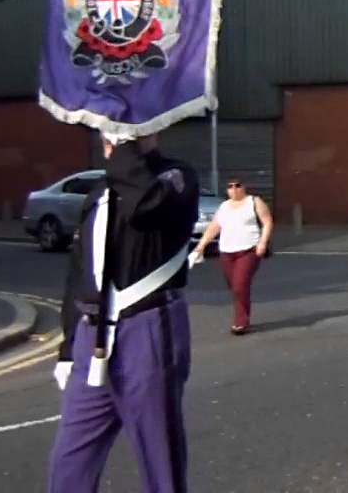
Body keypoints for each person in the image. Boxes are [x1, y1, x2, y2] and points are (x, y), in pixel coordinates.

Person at [48, 135, 200, 493]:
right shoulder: (99, 190)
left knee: (159, 459)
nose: (110, 134)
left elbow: (145, 208)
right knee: (70, 460)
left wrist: (128, 150)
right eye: (107, 128)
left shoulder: (176, 177)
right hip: (91, 334)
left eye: (123, 126)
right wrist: (69, 347)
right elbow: (80, 272)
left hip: (148, 327)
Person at [193, 178, 274, 335]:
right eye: (230, 186)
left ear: (244, 187)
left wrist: (263, 243)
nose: (234, 189)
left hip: (249, 249)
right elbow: (214, 227)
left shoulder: (254, 201)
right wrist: (200, 246)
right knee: (235, 287)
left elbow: (267, 221)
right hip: (226, 251)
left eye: (238, 185)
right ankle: (242, 312)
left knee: (240, 284)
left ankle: (241, 322)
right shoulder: (224, 206)